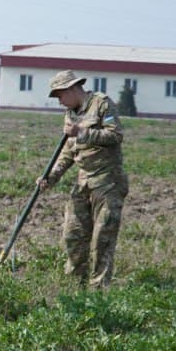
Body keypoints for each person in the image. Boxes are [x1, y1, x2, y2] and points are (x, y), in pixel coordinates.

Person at [38, 70, 128, 289]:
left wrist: (82, 132)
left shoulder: (101, 104)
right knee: (73, 234)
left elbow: (116, 135)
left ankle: (98, 291)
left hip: (108, 181)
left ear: (71, 88)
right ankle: (75, 287)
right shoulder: (70, 114)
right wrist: (52, 176)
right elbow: (68, 151)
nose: (59, 101)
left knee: (102, 240)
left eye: (60, 95)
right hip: (83, 182)